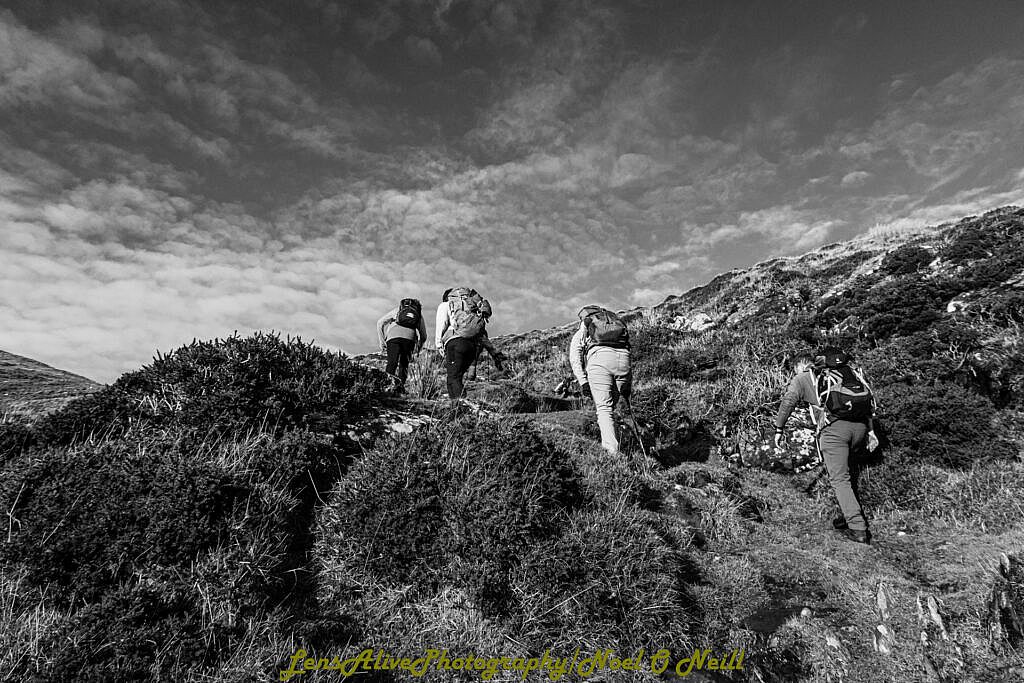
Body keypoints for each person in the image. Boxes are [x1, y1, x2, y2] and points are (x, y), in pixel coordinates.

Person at [775, 347, 878, 544]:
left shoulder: (804, 377)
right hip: (860, 428)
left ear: (800, 365)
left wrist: (779, 428)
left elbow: (788, 401)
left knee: (840, 479)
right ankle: (849, 513)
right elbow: (867, 403)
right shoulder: (846, 373)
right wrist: (871, 431)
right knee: (849, 472)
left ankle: (858, 528)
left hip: (834, 431)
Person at [569, 305, 632, 454]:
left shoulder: (585, 328)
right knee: (611, 406)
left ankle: (611, 453)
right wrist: (628, 383)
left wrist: (583, 381)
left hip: (599, 359)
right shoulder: (615, 323)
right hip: (623, 360)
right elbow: (627, 347)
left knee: (604, 408)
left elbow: (575, 357)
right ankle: (616, 441)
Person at [435, 287, 488, 401]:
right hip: (472, 346)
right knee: (458, 377)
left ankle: (461, 408)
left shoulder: (446, 305)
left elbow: (442, 323)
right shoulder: (471, 306)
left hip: (455, 342)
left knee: (453, 378)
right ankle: (461, 405)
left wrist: (439, 344)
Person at [376, 298, 426, 393]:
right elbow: (423, 336)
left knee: (392, 363)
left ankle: (387, 388)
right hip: (409, 339)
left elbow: (380, 323)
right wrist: (418, 349)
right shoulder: (418, 315)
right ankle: (400, 389)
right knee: (404, 365)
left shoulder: (397, 310)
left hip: (393, 337)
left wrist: (382, 342)